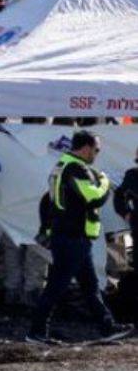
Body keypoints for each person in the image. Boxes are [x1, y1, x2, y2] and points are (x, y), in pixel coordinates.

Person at [28, 131, 133, 344]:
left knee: (90, 286)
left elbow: (47, 201)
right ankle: (36, 331)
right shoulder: (74, 167)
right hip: (71, 237)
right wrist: (104, 181)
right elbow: (93, 198)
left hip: (73, 237)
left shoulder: (63, 165)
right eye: (96, 150)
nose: (96, 154)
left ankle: (107, 327)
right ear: (85, 148)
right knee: (57, 286)